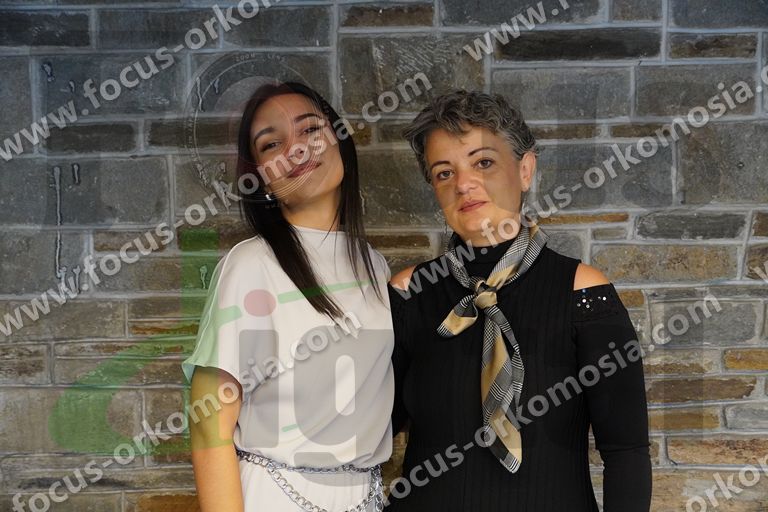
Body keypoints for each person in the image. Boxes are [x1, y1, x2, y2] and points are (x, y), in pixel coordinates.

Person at [387, 90, 651, 511]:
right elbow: (376, 431)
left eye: (483, 162)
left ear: (525, 170)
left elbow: (626, 451)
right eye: (444, 173)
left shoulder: (583, 293)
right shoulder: (408, 292)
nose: (463, 184)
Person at [182, 81, 393, 512]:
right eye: (271, 144)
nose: (295, 149)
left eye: (310, 129)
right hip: (275, 495)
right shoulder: (250, 265)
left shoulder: (375, 266)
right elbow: (208, 426)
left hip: (365, 497)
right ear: (261, 176)